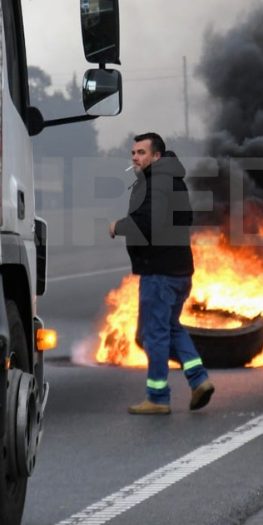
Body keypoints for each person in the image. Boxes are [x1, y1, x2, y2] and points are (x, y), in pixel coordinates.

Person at [109, 133, 214, 415]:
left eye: (141, 153)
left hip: (160, 272)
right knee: (170, 327)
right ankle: (199, 380)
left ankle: (158, 397)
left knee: (154, 334)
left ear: (156, 156)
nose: (135, 158)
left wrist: (118, 226)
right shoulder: (175, 181)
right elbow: (185, 219)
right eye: (133, 153)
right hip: (180, 270)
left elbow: (148, 221)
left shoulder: (156, 183)